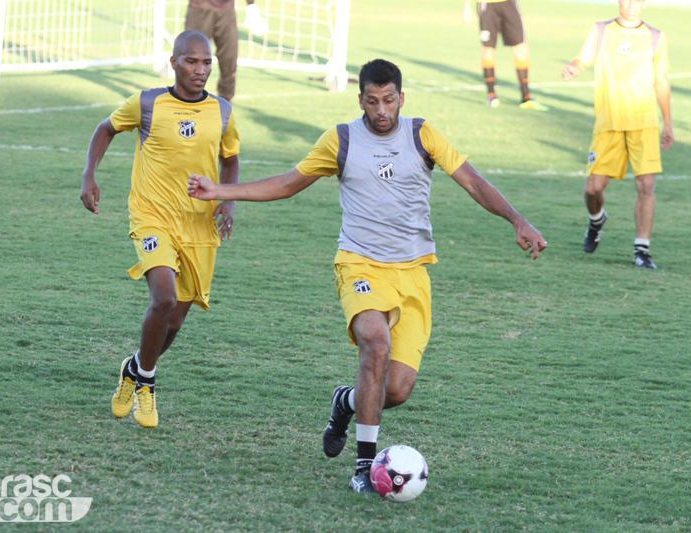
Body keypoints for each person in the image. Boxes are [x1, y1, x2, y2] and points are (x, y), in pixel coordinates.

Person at [187, 59, 546, 492]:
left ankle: (347, 402)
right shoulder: (340, 140)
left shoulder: (422, 134)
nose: (381, 110)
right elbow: (287, 183)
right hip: (359, 264)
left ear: (401, 98)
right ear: (360, 99)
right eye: (373, 101)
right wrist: (220, 191)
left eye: (389, 100)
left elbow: (473, 182)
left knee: (395, 390)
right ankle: (363, 469)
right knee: (375, 345)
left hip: (413, 274)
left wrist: (517, 219)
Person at [79, 30, 240, 428]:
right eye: (192, 61)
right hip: (152, 216)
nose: (200, 70)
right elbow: (105, 128)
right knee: (164, 298)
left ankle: (134, 367)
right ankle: (147, 384)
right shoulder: (148, 102)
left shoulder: (222, 111)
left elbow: (231, 157)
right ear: (174, 63)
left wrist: (228, 198)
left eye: (207, 63)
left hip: (199, 224)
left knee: (176, 320)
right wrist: (89, 175)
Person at [562, 0, 673, 269]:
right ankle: (597, 219)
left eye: (637, 1)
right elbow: (582, 60)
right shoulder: (601, 31)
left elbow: (660, 81)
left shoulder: (656, 38)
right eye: (626, 1)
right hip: (608, 123)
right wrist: (573, 67)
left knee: (646, 185)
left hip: (644, 121)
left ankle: (641, 250)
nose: (631, 6)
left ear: (645, 4)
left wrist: (667, 121)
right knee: (593, 189)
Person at [462, 0, 547, 110]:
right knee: (488, 49)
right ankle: (491, 96)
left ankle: (526, 97)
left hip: (508, 3)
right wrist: (466, 6)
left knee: (521, 48)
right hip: (486, 4)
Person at [185, 0, 267, 102]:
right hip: (200, 8)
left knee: (229, 58)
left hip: (227, 10)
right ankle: (187, 100)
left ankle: (225, 102)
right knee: (193, 57)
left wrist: (251, 6)